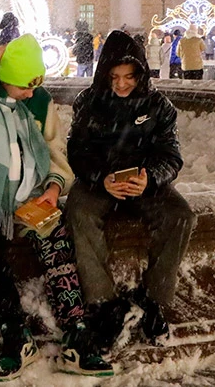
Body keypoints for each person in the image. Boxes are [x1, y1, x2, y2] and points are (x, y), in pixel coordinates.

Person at [0, 34, 100, 379]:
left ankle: (76, 332)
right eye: (24, 85)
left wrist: (53, 187)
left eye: (35, 84)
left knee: (56, 237)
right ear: (4, 76)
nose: (31, 93)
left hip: (30, 190)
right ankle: (14, 332)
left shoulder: (38, 101)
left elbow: (54, 149)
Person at [65, 29, 195, 365]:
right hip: (100, 182)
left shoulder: (159, 106)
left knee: (181, 216)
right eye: (114, 77)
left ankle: (152, 299)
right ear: (104, 74)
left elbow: (171, 154)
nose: (122, 84)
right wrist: (100, 178)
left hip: (143, 182)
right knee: (78, 213)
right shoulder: (88, 103)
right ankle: (106, 305)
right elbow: (77, 152)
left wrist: (150, 178)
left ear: (140, 74)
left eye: (129, 77)